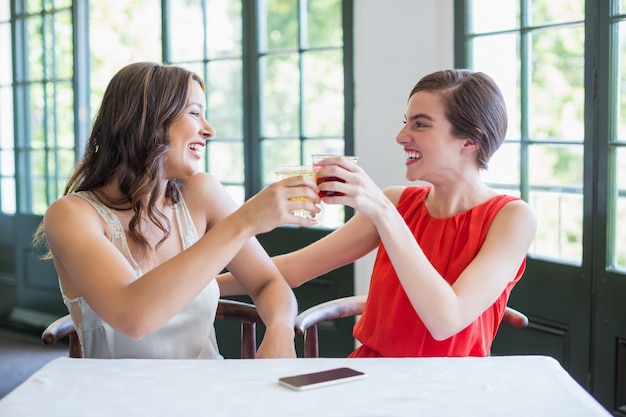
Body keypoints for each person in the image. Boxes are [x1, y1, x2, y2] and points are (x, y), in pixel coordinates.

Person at [219, 69, 537, 357]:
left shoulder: (512, 218)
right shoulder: (399, 203)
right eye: (405, 122)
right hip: (369, 375)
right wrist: (197, 285)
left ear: (470, 140)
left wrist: (382, 210)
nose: (401, 137)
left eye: (420, 124)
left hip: (449, 390)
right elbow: (294, 269)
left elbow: (446, 321)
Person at [33, 62, 321, 359]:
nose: (209, 130)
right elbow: (133, 316)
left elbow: (268, 282)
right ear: (146, 119)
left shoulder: (201, 193)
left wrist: (279, 331)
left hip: (207, 396)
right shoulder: (71, 215)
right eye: (195, 113)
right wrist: (244, 221)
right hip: (117, 401)